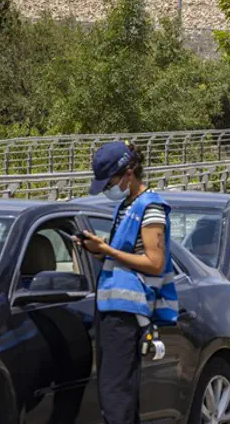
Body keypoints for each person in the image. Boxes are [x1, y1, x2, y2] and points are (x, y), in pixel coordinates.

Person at [76, 141, 179, 424]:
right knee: (116, 392)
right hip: (112, 307)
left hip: (128, 310)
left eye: (110, 181)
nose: (108, 188)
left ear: (128, 172)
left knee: (116, 394)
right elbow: (125, 255)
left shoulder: (151, 206)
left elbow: (154, 262)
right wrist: (97, 249)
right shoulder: (126, 206)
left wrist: (107, 250)